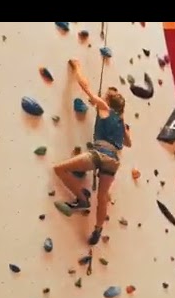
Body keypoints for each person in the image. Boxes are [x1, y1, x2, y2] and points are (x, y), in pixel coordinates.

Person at [52, 58, 131, 246]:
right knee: (102, 196)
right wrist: (120, 120)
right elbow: (128, 142)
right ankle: (97, 229)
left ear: (109, 102)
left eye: (105, 96)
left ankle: (81, 198)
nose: (102, 97)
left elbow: (85, 86)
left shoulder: (105, 108)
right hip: (113, 161)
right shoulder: (121, 121)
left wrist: (78, 67)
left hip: (100, 153)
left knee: (59, 169)